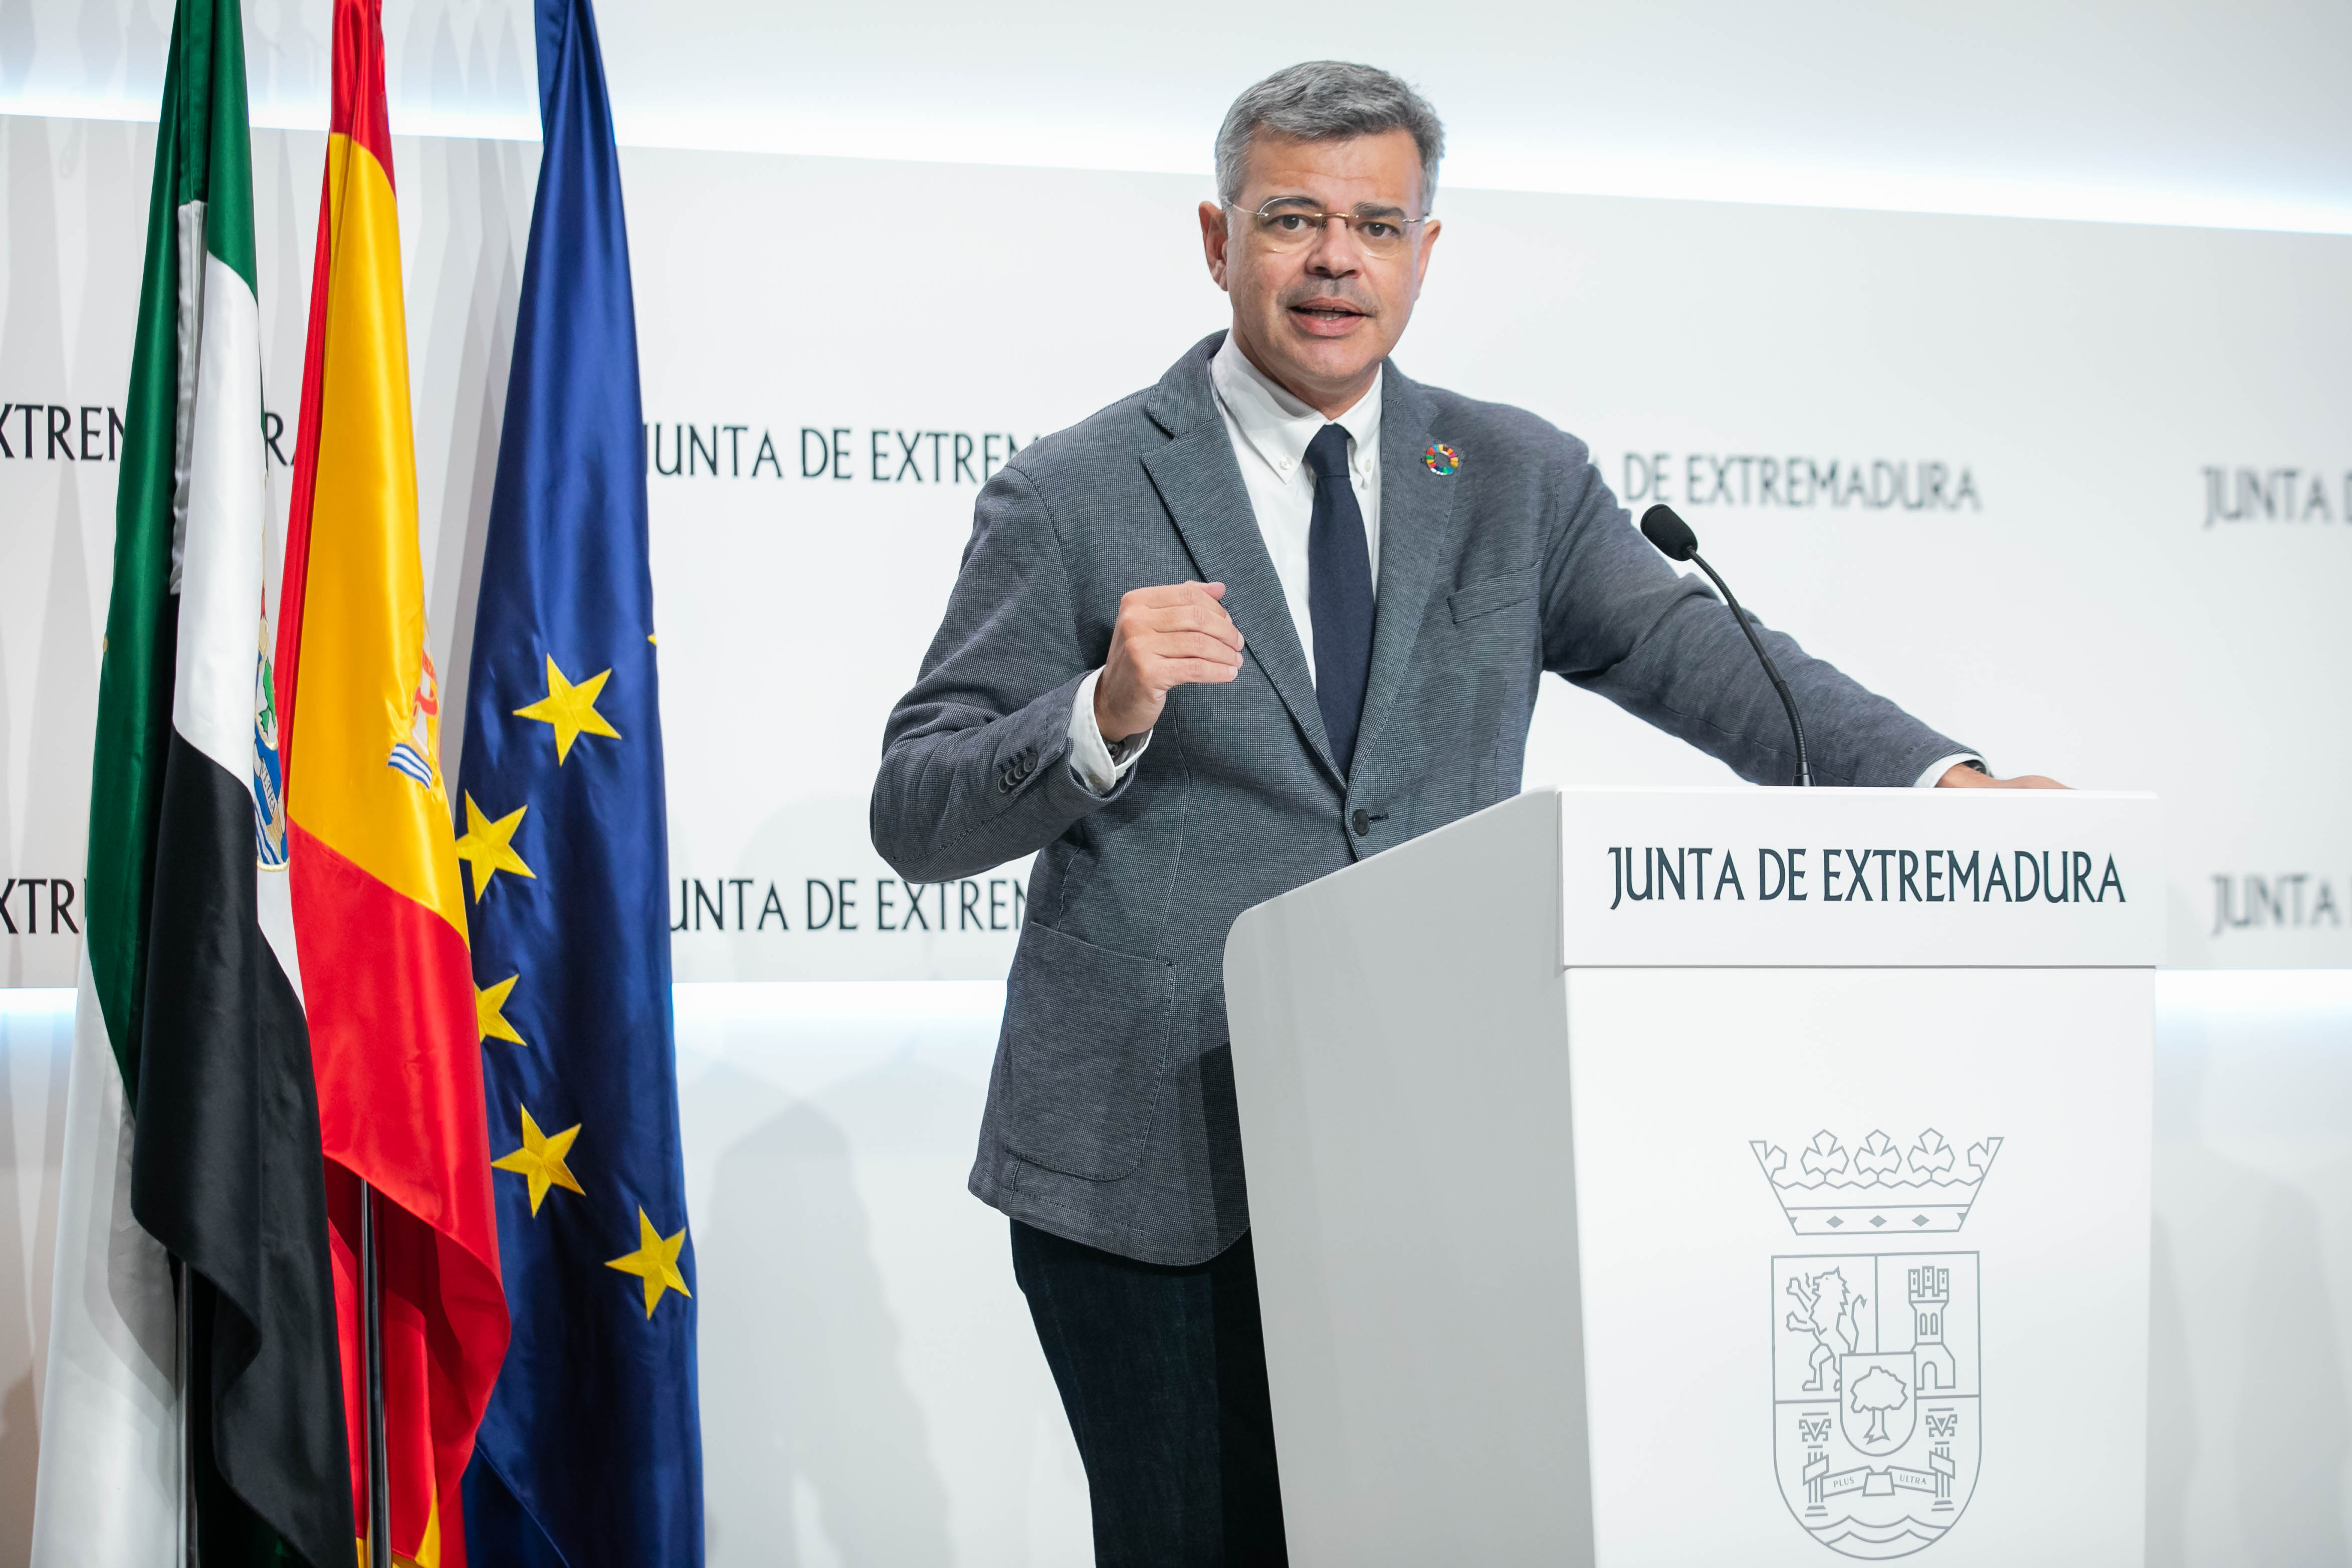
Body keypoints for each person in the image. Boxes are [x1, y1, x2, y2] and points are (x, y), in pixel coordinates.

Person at [871, 59, 2058, 1567]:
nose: (1333, 260)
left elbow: (1705, 661)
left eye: (1375, 225)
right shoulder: (1076, 491)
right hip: (1152, 1180)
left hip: (1422, 1157)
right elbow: (917, 804)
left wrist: (1937, 784)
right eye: (1292, 217)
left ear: (1427, 254)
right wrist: (1095, 714)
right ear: (1215, 234)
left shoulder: (1513, 478)